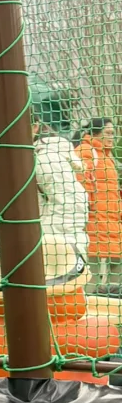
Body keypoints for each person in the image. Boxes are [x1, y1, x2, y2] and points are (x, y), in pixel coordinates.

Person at [33, 93, 88, 252]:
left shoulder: (46, 157)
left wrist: (47, 240)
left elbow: (72, 203)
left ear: (35, 127)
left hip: (57, 246)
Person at [75, 118, 122, 293]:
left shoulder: (107, 156)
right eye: (108, 133)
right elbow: (82, 184)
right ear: (95, 133)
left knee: (116, 270)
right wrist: (89, 209)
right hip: (93, 222)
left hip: (111, 222)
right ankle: (88, 304)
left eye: (113, 133)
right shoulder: (86, 151)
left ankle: (110, 304)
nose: (112, 137)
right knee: (91, 273)